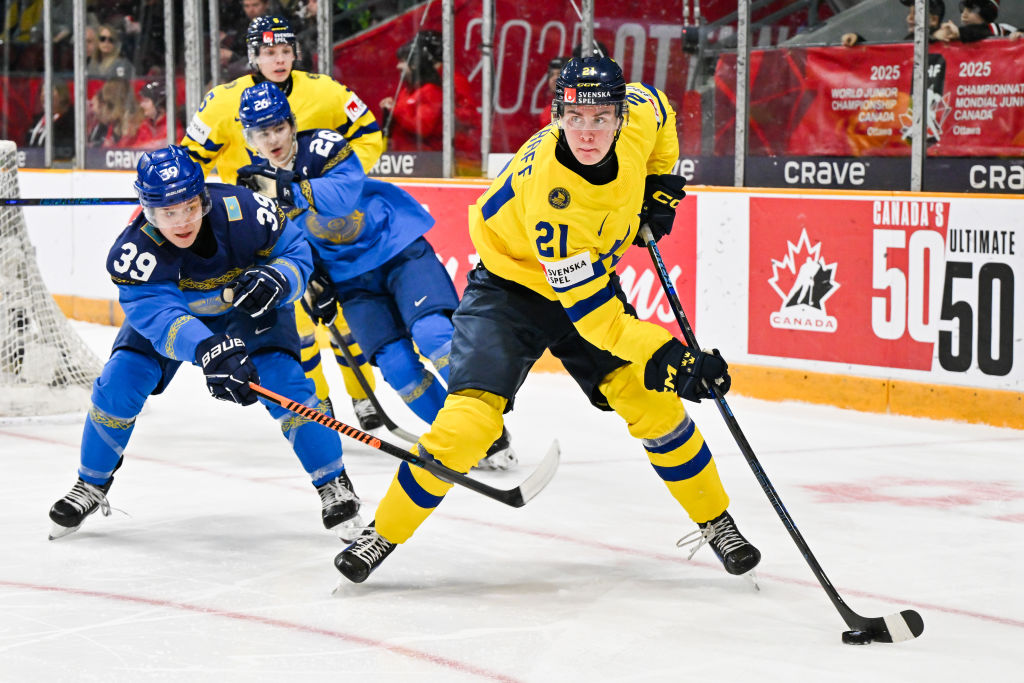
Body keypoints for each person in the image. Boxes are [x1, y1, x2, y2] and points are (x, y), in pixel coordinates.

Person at [333, 56, 762, 584]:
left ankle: (716, 521)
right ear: (557, 114)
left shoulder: (638, 118)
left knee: (652, 403)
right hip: (511, 291)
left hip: (587, 283)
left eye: (600, 117)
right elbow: (599, 324)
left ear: (620, 116)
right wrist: (673, 358)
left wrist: (659, 183)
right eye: (575, 117)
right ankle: (385, 531)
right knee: (467, 426)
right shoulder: (555, 203)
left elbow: (661, 109)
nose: (586, 131)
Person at [47, 145, 362, 542]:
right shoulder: (134, 252)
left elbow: (296, 250)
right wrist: (206, 348)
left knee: (287, 386)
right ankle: (91, 483)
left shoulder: (246, 210)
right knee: (119, 382)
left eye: (189, 208)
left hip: (251, 310)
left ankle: (333, 481)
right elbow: (161, 319)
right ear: (148, 211)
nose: (181, 221)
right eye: (168, 212)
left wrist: (279, 278)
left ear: (203, 199)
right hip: (185, 319)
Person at [235, 82, 517, 470]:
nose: (273, 140)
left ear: (292, 123)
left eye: (279, 128)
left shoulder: (324, 146)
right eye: (262, 133)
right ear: (250, 139)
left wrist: (285, 191)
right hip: (351, 281)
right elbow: (281, 244)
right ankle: (461, 440)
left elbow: (342, 198)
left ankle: (488, 426)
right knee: (398, 368)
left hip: (398, 249)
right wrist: (312, 280)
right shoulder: (253, 182)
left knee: (434, 335)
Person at [181, 14, 387, 432]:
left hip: (320, 222)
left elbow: (369, 135)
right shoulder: (222, 102)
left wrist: (334, 183)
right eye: (268, 52)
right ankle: (319, 402)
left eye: (285, 51)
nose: (279, 60)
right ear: (252, 57)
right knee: (297, 322)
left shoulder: (325, 91)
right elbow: (190, 160)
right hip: (260, 229)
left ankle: (363, 394)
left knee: (341, 315)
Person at [379, 35, 443, 151]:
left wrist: (395, 109)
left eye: (402, 61)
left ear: (414, 64)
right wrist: (390, 109)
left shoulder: (430, 91)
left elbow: (424, 127)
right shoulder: (406, 92)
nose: (397, 66)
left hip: (424, 160)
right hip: (403, 158)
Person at [841, 0, 944, 46]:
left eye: (916, 13)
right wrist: (858, 41)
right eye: (909, 13)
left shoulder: (948, 46)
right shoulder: (906, 44)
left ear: (934, 20)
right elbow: (882, 61)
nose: (909, 18)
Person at [90, 79, 156, 149]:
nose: (104, 109)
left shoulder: (141, 129)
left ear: (116, 104)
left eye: (107, 104)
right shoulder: (114, 127)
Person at [24, 79, 75, 158]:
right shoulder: (37, 120)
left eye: (49, 91)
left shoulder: (69, 121)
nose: (44, 94)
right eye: (42, 91)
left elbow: (66, 150)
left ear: (62, 95)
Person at [933, 0, 1016, 42]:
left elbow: (985, 32)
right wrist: (934, 36)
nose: (963, 15)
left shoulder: (1002, 29)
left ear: (986, 12)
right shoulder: (965, 36)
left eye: (971, 10)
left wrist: (958, 33)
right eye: (962, 10)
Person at [138, 80, 184, 146]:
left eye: (146, 101)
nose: (141, 105)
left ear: (159, 104)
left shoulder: (173, 126)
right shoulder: (145, 125)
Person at [538, 57, 567, 129]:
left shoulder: (582, 109)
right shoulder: (546, 113)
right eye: (551, 75)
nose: (554, 78)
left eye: (559, 74)